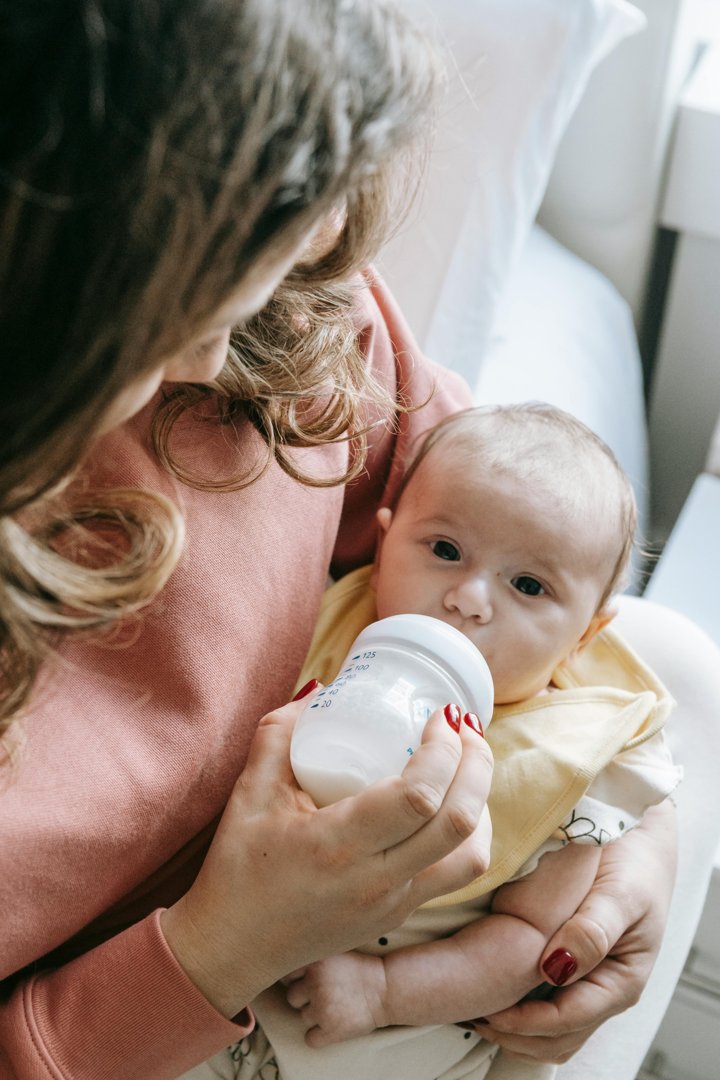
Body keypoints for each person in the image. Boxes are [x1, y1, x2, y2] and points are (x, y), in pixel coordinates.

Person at [0, 1, 703, 1078]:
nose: (221, 352)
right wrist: (216, 950)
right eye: (189, 294)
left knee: (689, 666)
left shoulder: (293, 317)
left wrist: (615, 840)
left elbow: (523, 545)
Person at [230, 404, 679, 1080]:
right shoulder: (318, 624)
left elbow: (529, 940)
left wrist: (385, 991)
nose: (469, 598)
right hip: (230, 987)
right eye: (444, 551)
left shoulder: (568, 759)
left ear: (584, 636)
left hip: (394, 1037)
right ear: (382, 548)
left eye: (528, 585)